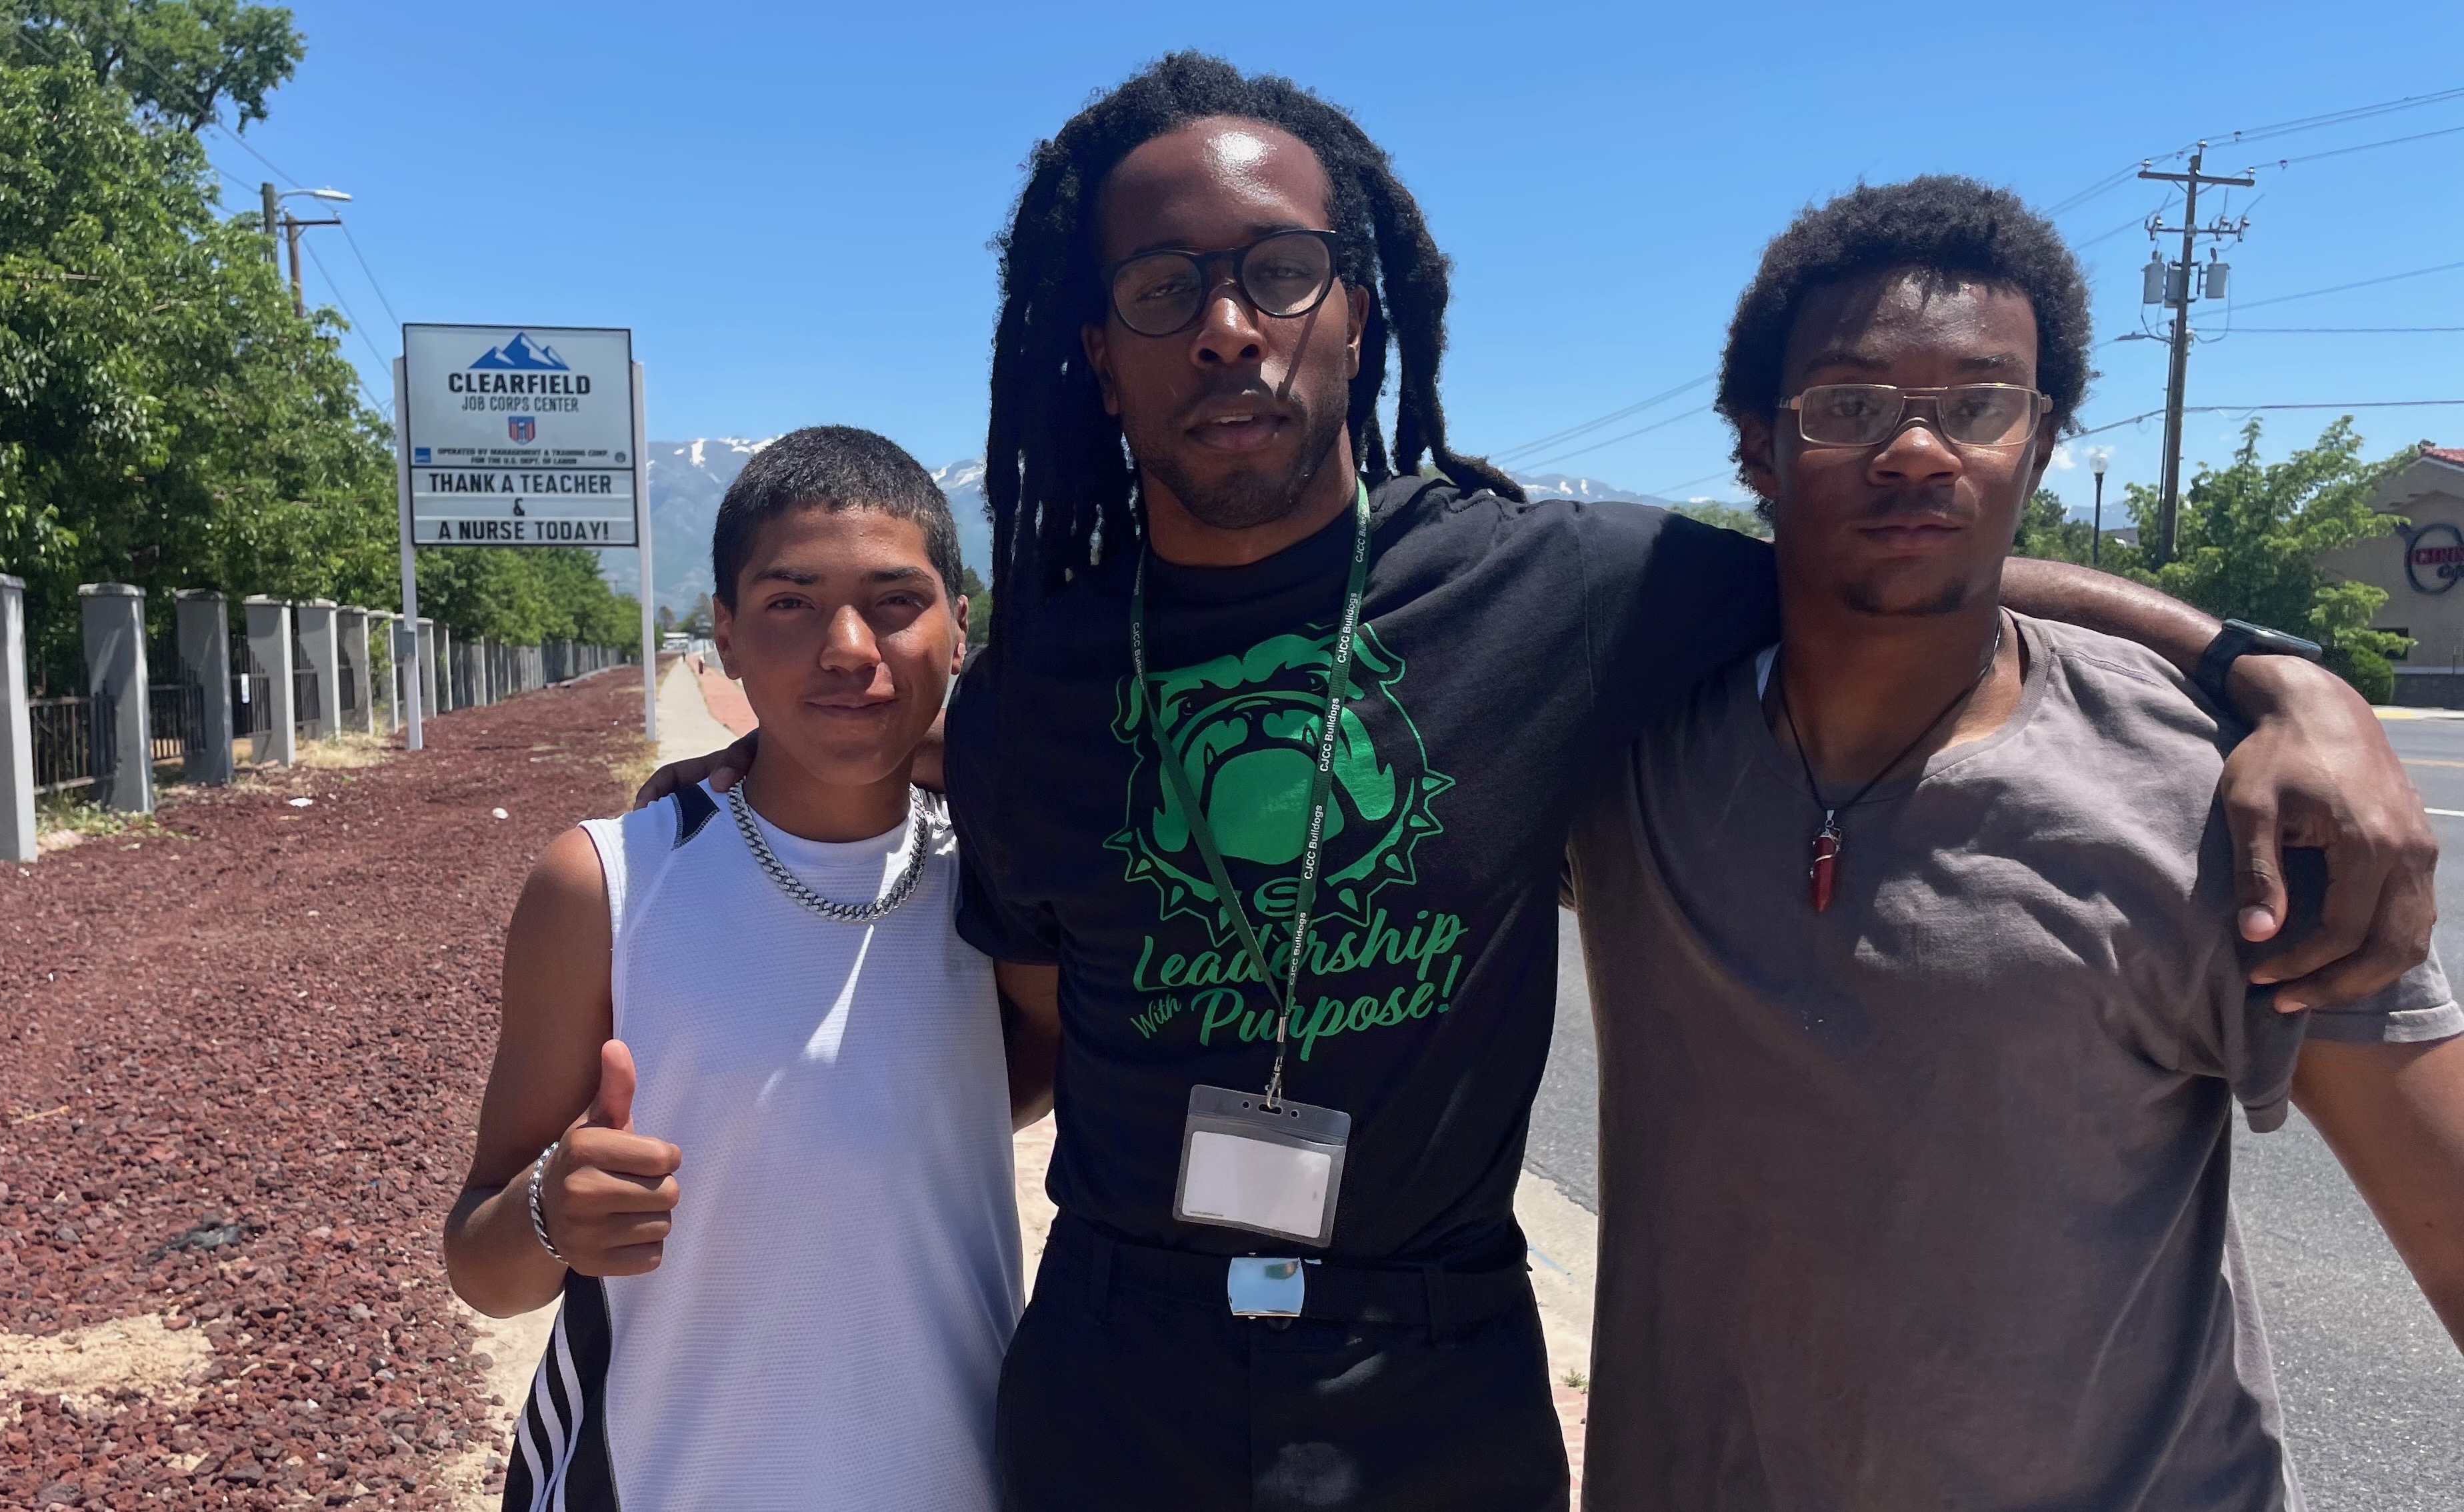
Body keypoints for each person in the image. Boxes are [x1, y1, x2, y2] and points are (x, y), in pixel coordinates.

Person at [634, 55, 2436, 1511]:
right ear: (1094, 353)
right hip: (1123, 1371)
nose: (1227, 327)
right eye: (1164, 288)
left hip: (1435, 1386)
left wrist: (2266, 668)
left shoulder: (1556, 589)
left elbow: (1897, 552)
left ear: (1362, 304)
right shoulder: (1038, 683)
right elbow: (1042, 1013)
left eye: (1276, 270)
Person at [1565, 177, 2464, 1509]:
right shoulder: (1628, 752)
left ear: (2040, 445)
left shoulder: (2228, 806)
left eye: (1979, 406)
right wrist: (2254, 653)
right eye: (1850, 407)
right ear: (1758, 445)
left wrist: (2270, 677)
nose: (1919, 450)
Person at [442, 426, 1056, 1511]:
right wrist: (551, 1210)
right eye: (790, 602)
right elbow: (481, 1266)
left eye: (898, 601)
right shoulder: (608, 884)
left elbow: (998, 1074)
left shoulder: (1003, 873)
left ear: (964, 628)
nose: (849, 645)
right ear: (722, 632)